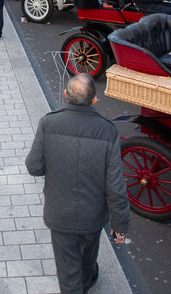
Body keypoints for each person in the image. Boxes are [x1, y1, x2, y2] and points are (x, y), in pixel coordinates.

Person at [26, 73, 130, 294]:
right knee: (88, 255)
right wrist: (120, 225)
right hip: (93, 215)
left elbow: (34, 167)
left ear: (65, 95)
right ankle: (86, 280)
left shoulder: (48, 122)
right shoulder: (108, 131)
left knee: (67, 268)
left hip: (60, 213)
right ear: (94, 100)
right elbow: (116, 186)